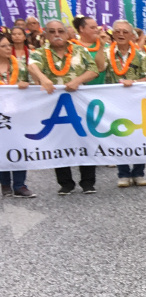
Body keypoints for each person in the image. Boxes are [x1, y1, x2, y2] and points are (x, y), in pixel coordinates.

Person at [26, 20, 101, 195]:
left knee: (85, 140)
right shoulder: (40, 53)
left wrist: (77, 80)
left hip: (79, 104)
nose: (57, 34)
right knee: (59, 143)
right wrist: (43, 78)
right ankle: (66, 183)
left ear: (67, 34)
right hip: (54, 107)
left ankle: (88, 182)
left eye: (60, 31)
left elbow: (94, 70)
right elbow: (32, 65)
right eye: (52, 31)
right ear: (45, 35)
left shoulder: (79, 50)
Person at [97, 20, 146, 188]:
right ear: (113, 34)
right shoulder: (107, 52)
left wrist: (133, 82)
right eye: (117, 31)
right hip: (115, 103)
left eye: (125, 32)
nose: (121, 34)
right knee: (118, 136)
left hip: (136, 102)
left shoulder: (141, 55)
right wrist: (100, 45)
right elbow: (99, 67)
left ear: (131, 35)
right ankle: (123, 173)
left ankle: (138, 172)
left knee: (138, 136)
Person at [0, 34, 34, 198]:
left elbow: (32, 83)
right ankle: (5, 184)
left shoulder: (18, 65)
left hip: (18, 113)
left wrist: (26, 84)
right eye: (4, 46)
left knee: (19, 146)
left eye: (9, 45)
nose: (8, 48)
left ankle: (20, 185)